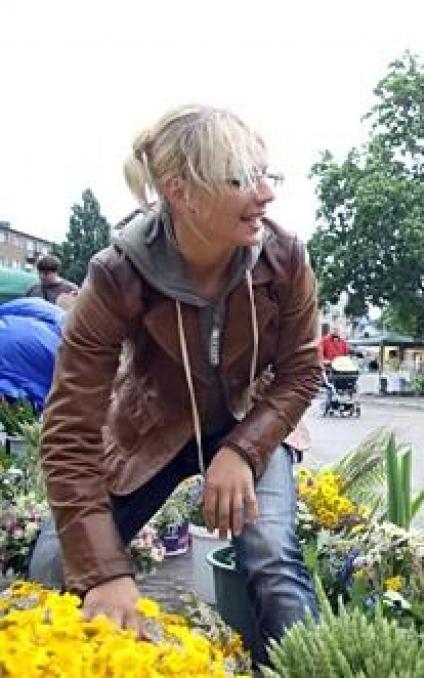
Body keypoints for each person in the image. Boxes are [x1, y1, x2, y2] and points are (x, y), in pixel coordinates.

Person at [28, 105, 319, 666]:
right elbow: (68, 431)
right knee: (53, 562)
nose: (266, 195)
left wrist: (242, 449)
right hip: (152, 428)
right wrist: (107, 573)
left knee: (272, 560)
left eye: (267, 175)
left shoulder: (283, 258)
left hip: (253, 418)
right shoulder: (116, 275)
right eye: (242, 179)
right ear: (181, 191)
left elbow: (302, 370)